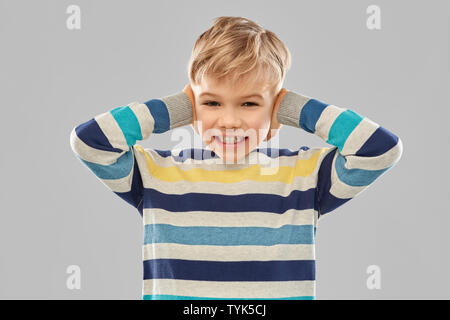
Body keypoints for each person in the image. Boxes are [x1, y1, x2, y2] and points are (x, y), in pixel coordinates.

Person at [69, 16, 403, 300]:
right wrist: (181, 106)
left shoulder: (305, 175)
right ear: (191, 106)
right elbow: (90, 142)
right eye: (213, 103)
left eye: (249, 104)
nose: (229, 120)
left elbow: (378, 149)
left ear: (274, 110)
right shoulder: (156, 173)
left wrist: (288, 106)